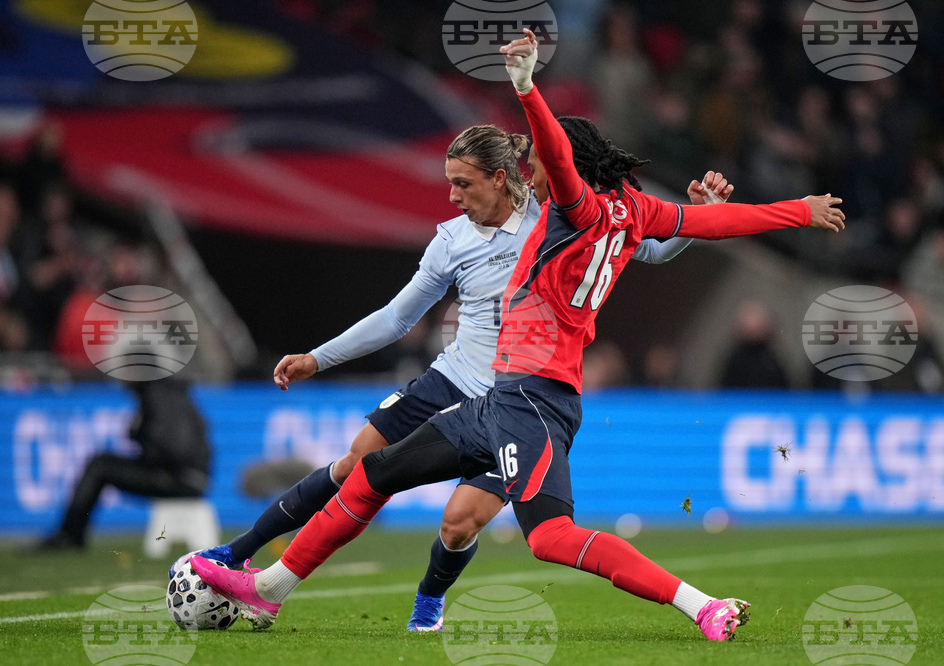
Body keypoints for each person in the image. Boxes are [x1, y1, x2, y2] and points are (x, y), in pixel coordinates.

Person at [190, 29, 845, 641]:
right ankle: (268, 589)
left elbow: (556, 154)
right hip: (502, 397)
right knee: (371, 475)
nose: (530, 173)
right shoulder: (639, 211)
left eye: (533, 166)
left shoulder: (576, 208)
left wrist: (527, 87)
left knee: (549, 536)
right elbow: (715, 224)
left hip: (533, 401)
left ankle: (701, 605)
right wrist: (800, 211)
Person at [177, 122, 710, 631]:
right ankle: (238, 554)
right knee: (355, 465)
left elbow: (649, 247)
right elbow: (397, 317)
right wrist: (318, 358)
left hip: (513, 402)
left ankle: (429, 600)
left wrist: (699, 216)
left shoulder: (558, 218)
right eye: (449, 183)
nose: (453, 197)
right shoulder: (452, 240)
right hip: (449, 381)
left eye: (463, 184)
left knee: (458, 524)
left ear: (499, 178)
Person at [38, 379, 209, 549]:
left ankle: (69, 535)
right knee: (101, 464)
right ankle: (70, 534)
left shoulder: (159, 395)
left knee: (100, 466)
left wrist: (139, 434)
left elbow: (174, 448)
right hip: (188, 477)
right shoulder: (169, 393)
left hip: (179, 479)